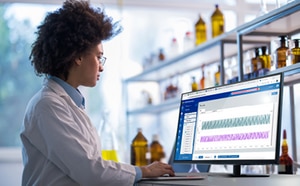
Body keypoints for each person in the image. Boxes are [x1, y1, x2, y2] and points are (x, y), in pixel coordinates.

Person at [20, 0, 175, 185]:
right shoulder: (48, 105)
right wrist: (144, 170)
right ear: (77, 56)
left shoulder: (70, 103)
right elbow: (89, 170)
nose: (101, 66)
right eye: (98, 57)